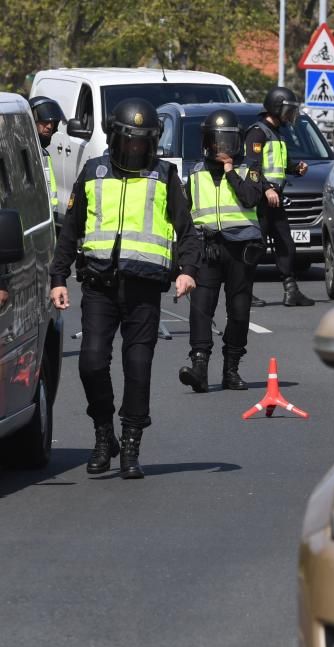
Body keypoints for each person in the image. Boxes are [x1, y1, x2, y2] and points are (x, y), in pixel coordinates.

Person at [49, 98, 200, 479]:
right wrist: (58, 278)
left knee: (138, 367)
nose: (135, 149)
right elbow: (70, 230)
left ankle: (131, 443)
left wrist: (187, 271)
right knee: (91, 363)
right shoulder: (93, 172)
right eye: (129, 141)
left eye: (142, 143)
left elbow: (187, 232)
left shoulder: (165, 176)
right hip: (99, 286)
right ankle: (104, 433)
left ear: (152, 144)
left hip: (144, 290)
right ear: (116, 139)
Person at [178, 109, 264, 394]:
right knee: (201, 309)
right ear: (207, 142)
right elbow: (184, 217)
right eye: (217, 142)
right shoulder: (195, 172)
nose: (222, 148)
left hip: (240, 250)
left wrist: (230, 174)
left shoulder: (248, 168)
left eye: (228, 141)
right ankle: (199, 368)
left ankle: (231, 369)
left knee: (238, 311)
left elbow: (251, 197)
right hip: (208, 248)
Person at [244, 86, 314, 307]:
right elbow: (252, 168)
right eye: (288, 110)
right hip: (260, 200)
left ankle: (291, 290)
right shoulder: (257, 132)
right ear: (276, 108)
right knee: (256, 246)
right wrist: (266, 188)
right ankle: (244, 292)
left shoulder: (278, 133)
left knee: (286, 244)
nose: (291, 115)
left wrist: (295, 167)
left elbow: (278, 164)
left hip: (275, 199)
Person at [29, 96, 65, 219]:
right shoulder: (26, 152)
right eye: (44, 121)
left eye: (52, 122)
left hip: (47, 219)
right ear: (31, 121)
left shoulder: (43, 153)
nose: (49, 126)